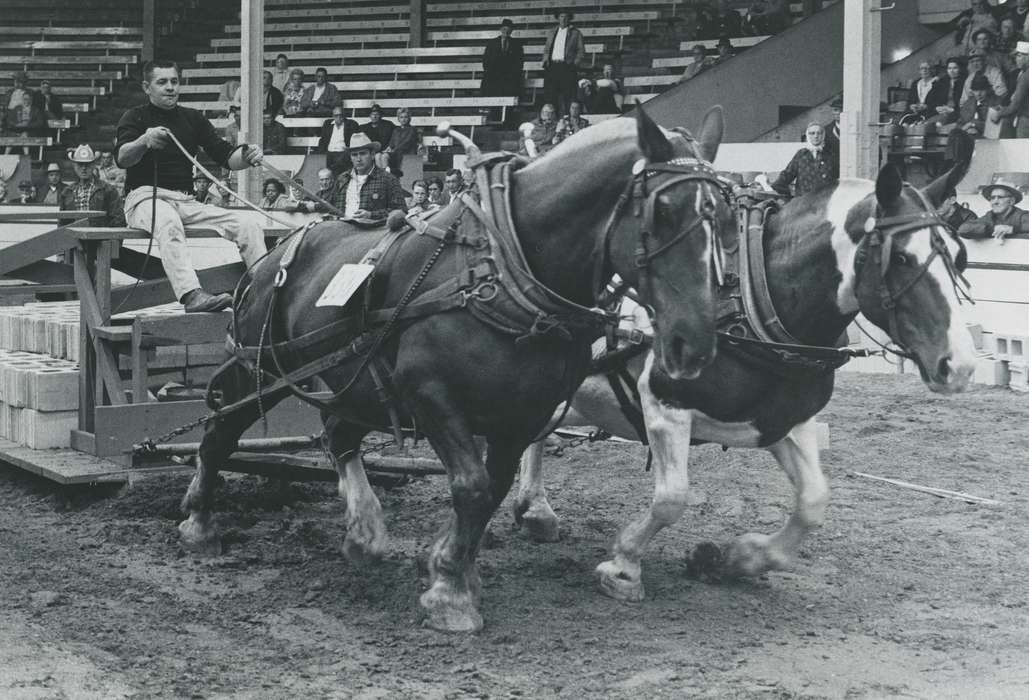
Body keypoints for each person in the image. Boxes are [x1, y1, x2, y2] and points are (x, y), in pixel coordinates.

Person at [115, 59, 268, 313]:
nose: (170, 88)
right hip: (143, 199)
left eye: (174, 81)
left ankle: (267, 290)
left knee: (248, 224)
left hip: (186, 202)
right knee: (168, 222)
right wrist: (144, 140)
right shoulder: (134, 116)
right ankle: (191, 296)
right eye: (162, 82)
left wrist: (248, 155)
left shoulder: (192, 118)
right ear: (146, 87)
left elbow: (227, 157)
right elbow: (122, 158)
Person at [335, 132, 406, 221]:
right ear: (350, 157)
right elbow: (332, 205)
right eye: (354, 155)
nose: (358, 159)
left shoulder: (388, 179)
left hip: (374, 231)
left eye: (363, 153)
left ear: (372, 155)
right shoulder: (342, 178)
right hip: (344, 229)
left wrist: (372, 215)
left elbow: (401, 211)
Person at [58, 144, 124, 227]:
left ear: (93, 165)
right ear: (74, 166)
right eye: (80, 164)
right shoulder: (67, 192)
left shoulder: (108, 190)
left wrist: (110, 240)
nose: (84, 168)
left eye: (87, 164)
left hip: (100, 238)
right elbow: (62, 224)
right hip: (73, 238)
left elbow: (119, 220)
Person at [771, 122, 838, 197]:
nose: (816, 136)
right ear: (807, 136)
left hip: (823, 202)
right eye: (812, 133)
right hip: (803, 203)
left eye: (819, 133)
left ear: (823, 135)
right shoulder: (801, 155)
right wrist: (790, 196)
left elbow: (837, 181)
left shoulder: (830, 155)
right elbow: (785, 177)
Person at [542, 11, 586, 118]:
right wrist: (546, 60)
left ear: (569, 19)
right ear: (558, 18)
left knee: (568, 96)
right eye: (561, 16)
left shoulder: (576, 33)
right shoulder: (552, 31)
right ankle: (553, 120)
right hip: (552, 67)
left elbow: (581, 51)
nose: (563, 19)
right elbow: (547, 48)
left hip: (567, 66)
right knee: (551, 96)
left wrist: (574, 64)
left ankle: (568, 120)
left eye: (566, 17)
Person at [958, 177, 1029, 241]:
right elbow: (963, 229)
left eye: (1000, 197)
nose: (995, 202)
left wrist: (1012, 229)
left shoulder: (1022, 216)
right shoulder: (989, 216)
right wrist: (993, 229)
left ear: (1011, 201)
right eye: (992, 198)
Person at [481, 18, 525, 115]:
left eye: (509, 29)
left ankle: (508, 115)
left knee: (512, 87)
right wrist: (491, 73)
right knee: (490, 87)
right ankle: (493, 114)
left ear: (511, 31)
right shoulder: (492, 43)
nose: (506, 31)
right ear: (501, 29)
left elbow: (520, 62)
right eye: (504, 29)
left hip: (509, 77)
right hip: (494, 76)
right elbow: (486, 60)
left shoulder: (517, 44)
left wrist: (512, 74)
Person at [992, 40, 1029, 135]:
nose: (1016, 59)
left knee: (1022, 148)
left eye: (1019, 56)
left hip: (1026, 121)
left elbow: (1015, 105)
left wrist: (999, 113)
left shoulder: (1025, 76)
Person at [319, 103, 359, 176]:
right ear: (333, 116)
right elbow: (323, 139)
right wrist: (322, 151)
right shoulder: (327, 124)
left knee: (337, 168)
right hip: (330, 153)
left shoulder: (351, 124)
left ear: (344, 116)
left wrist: (349, 150)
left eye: (340, 115)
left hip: (343, 152)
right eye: (336, 115)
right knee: (331, 172)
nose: (338, 118)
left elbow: (354, 140)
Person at [925, 58, 967, 125]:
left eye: (955, 68)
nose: (952, 71)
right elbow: (929, 100)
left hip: (956, 115)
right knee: (928, 124)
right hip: (941, 113)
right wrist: (936, 108)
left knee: (938, 123)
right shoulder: (942, 83)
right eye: (949, 68)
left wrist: (952, 110)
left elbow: (967, 106)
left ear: (960, 69)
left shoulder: (965, 83)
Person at [3, 91, 45, 155]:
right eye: (24, 99)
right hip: (17, 129)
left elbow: (40, 123)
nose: (26, 101)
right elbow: (9, 120)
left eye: (28, 99)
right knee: (12, 136)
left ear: (31, 100)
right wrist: (15, 124)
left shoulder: (36, 110)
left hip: (30, 131)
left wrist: (28, 125)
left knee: (25, 135)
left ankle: (26, 156)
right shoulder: (17, 108)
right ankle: (5, 156)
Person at [383, 107, 421, 178]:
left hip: (407, 152)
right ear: (398, 119)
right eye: (401, 117)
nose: (403, 119)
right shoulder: (396, 130)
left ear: (409, 118)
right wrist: (388, 149)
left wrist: (394, 150)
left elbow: (407, 143)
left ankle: (392, 174)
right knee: (384, 156)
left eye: (406, 117)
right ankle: (386, 175)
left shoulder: (412, 130)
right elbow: (391, 143)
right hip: (396, 153)